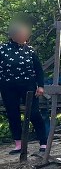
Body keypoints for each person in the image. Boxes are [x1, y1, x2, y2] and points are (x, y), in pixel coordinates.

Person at [0, 21, 47, 154]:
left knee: (34, 113)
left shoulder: (29, 50)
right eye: (21, 34)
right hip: (8, 87)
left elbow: (38, 69)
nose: (24, 36)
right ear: (13, 36)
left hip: (28, 86)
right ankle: (19, 144)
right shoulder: (3, 50)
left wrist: (41, 86)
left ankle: (43, 142)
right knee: (13, 114)